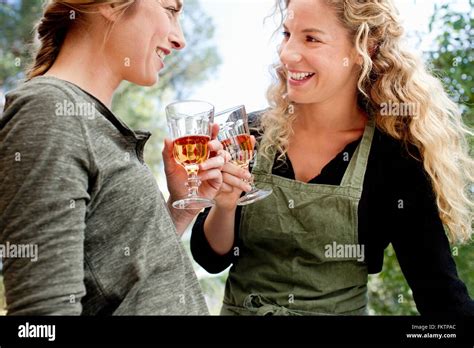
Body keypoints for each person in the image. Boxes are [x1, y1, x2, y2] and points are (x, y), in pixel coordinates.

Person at [191, 0, 474, 315]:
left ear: (362, 48)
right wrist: (225, 204)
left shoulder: (392, 159)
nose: (286, 54)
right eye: (287, 34)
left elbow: (439, 294)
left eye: (311, 38)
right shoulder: (250, 134)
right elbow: (211, 257)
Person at [0, 0, 234, 315]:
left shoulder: (85, 118)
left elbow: (119, 277)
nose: (180, 39)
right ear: (112, 4)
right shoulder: (47, 111)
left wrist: (181, 208)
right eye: (170, 10)